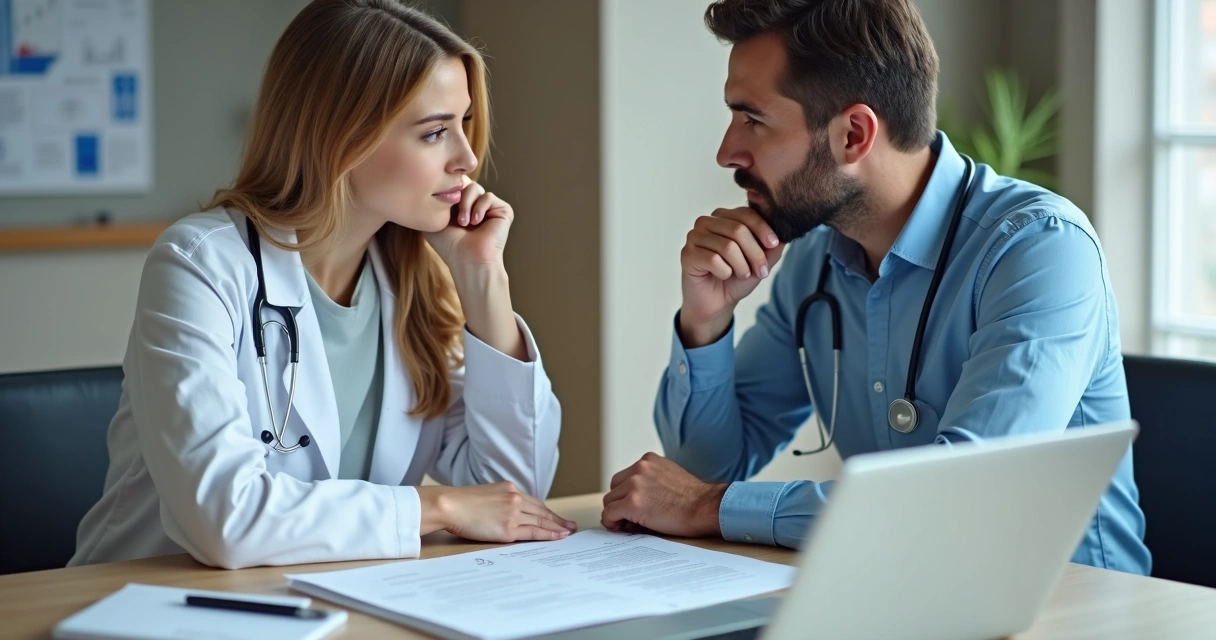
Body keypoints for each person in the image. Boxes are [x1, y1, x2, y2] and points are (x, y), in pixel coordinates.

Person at [601, 0, 1150, 575]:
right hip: (900, 592)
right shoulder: (817, 259)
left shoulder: (1041, 248)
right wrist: (706, 320)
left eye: (753, 120)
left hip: (1074, 609)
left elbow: (965, 501)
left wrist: (710, 507)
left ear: (853, 134)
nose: (727, 152)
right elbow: (703, 469)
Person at [71, 0, 573, 570]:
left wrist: (484, 280)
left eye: (464, 125)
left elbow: (513, 494)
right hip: (153, 608)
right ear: (343, 137)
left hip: (330, 605)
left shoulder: (417, 285)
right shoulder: (200, 266)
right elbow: (225, 520)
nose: (466, 157)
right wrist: (438, 506)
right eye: (435, 133)